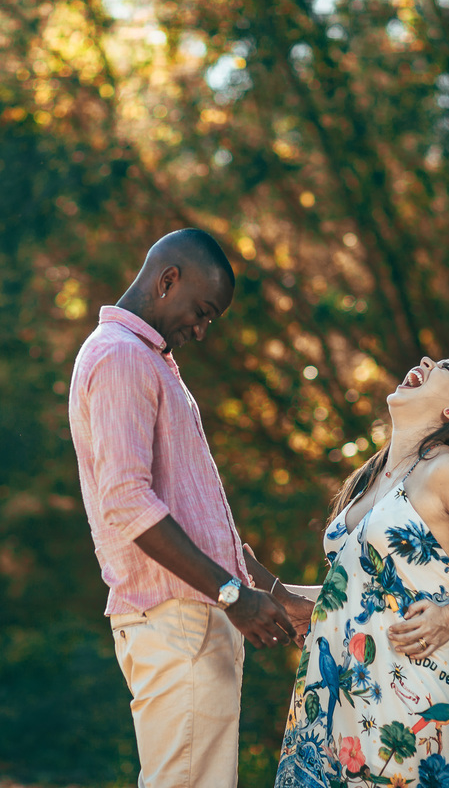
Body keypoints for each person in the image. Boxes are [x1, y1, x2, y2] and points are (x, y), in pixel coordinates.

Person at [67, 228, 311, 788]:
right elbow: (127, 502)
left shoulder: (146, 359)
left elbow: (200, 521)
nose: (201, 331)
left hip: (193, 622)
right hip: (179, 624)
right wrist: (232, 596)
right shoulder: (121, 357)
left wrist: (272, 592)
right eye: (202, 312)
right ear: (167, 280)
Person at [267, 355, 449, 788]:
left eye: (446, 368)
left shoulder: (445, 470)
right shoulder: (372, 478)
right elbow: (353, 595)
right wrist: (266, 588)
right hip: (339, 696)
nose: (425, 361)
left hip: (408, 697)